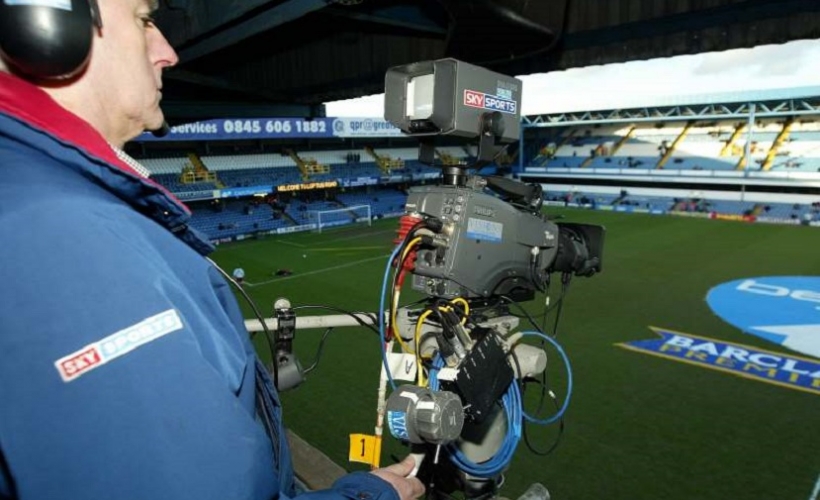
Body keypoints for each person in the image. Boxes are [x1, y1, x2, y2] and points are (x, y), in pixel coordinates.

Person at [0, 1, 425, 500]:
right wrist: (370, 495)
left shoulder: (36, 202)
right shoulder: (70, 240)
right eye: (143, 20)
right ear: (46, 23)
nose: (169, 52)